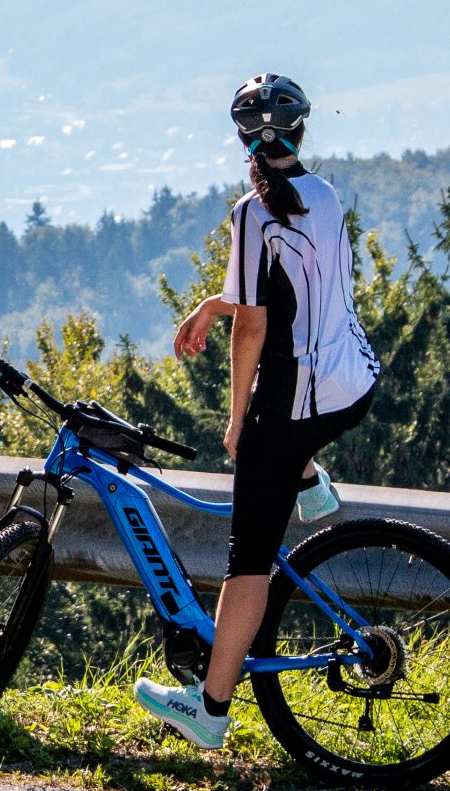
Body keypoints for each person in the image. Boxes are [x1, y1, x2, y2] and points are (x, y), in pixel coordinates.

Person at [131, 73, 381, 749]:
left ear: (242, 136)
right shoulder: (324, 197)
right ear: (300, 132)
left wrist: (238, 419)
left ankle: (208, 710)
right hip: (351, 386)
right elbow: (288, 285)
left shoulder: (252, 210)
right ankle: (307, 479)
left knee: (248, 563)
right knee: (281, 465)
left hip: (292, 403)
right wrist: (219, 301)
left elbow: (255, 329)